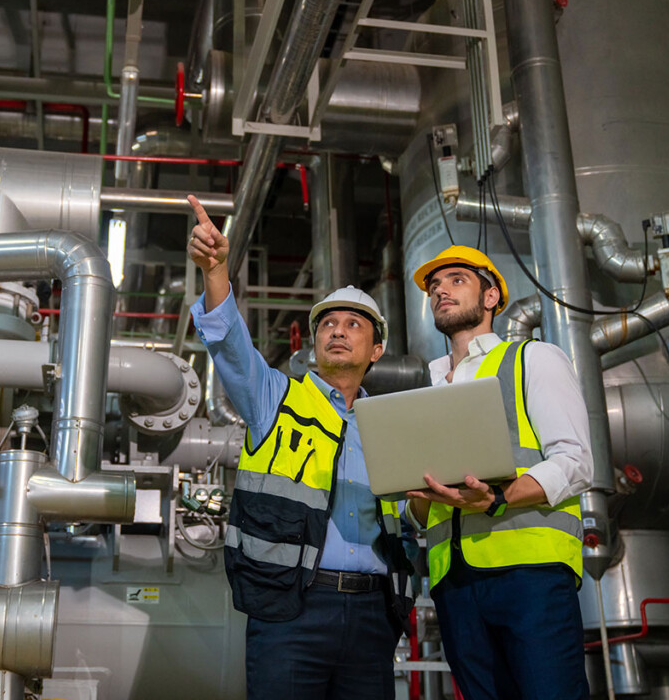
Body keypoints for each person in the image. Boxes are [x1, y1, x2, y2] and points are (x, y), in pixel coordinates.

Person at [186, 194, 414, 700]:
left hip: (374, 615)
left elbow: (408, 516)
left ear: (376, 349)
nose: (338, 331)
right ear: (314, 345)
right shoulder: (275, 398)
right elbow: (230, 346)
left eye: (353, 324)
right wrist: (216, 272)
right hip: (291, 609)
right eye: (327, 324)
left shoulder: (390, 425)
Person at [406, 245, 593, 700]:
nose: (440, 291)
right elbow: (419, 513)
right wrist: (417, 497)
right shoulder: (428, 389)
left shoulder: (533, 358)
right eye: (435, 287)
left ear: (491, 297)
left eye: (456, 280)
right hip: (453, 583)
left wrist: (499, 498)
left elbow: (575, 460)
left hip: (531, 573)